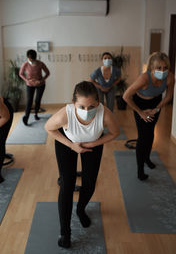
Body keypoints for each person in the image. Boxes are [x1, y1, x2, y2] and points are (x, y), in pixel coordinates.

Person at [45, 81, 120, 248]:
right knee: (67, 184)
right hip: (67, 143)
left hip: (92, 144)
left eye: (92, 106)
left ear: (98, 102)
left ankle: (80, 209)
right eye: (82, 107)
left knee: (90, 182)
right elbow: (49, 128)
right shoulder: (65, 114)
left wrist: (94, 144)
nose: (87, 111)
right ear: (74, 104)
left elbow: (115, 132)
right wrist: (72, 145)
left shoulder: (105, 114)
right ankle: (65, 232)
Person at [123, 52, 174, 181]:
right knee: (143, 136)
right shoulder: (144, 79)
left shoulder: (170, 77)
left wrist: (156, 109)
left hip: (156, 103)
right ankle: (140, 169)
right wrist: (140, 112)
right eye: (158, 68)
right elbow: (126, 96)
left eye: (165, 68)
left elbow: (168, 96)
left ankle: (147, 158)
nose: (162, 71)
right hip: (140, 104)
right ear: (152, 67)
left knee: (150, 132)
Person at [19, 49, 50, 125]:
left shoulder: (40, 63)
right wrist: (27, 80)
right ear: (28, 57)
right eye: (30, 59)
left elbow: (47, 73)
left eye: (33, 59)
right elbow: (21, 74)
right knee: (29, 101)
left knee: (37, 100)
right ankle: (26, 117)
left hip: (40, 84)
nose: (31, 60)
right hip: (30, 85)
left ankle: (36, 114)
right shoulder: (25, 64)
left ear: (35, 57)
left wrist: (41, 80)